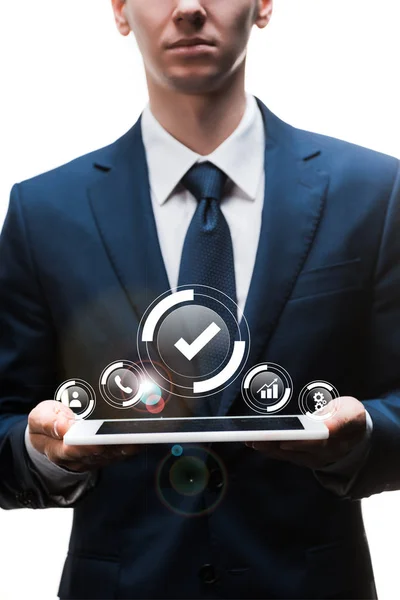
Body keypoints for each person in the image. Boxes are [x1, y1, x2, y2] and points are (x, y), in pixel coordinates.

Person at [0, 0, 399, 598]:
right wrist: (46, 452)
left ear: (264, 6)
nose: (188, 8)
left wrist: (363, 433)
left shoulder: (372, 191)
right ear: (119, 10)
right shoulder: (45, 212)